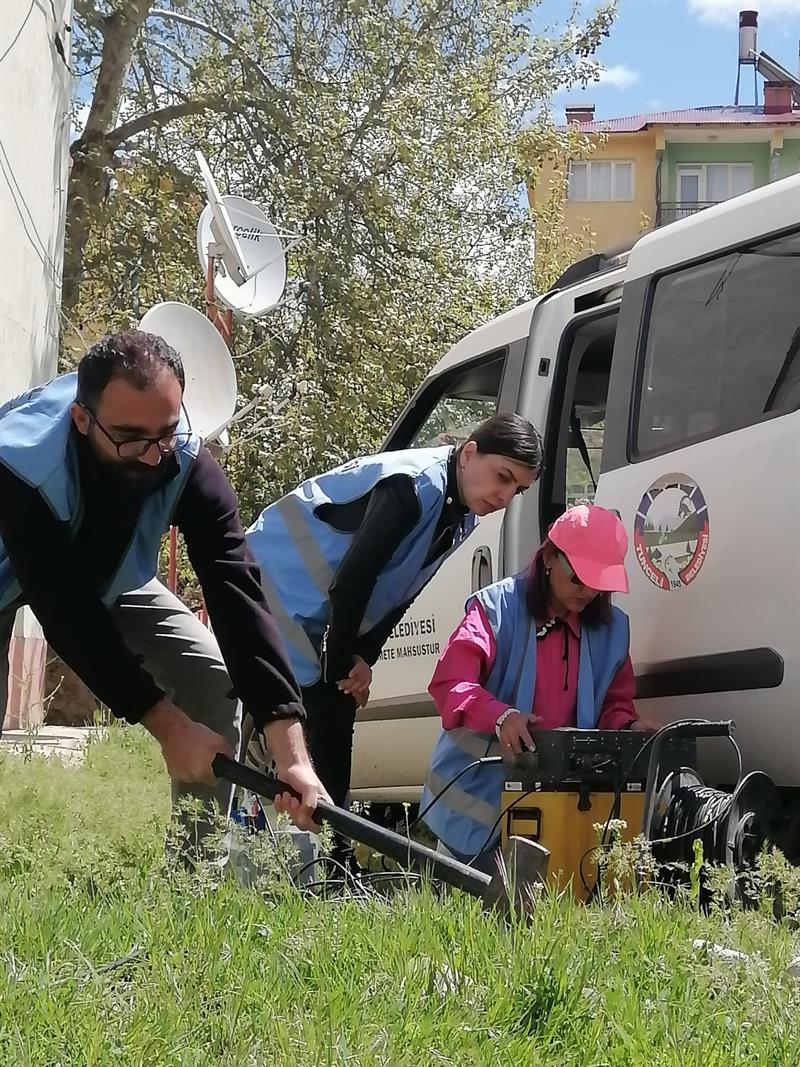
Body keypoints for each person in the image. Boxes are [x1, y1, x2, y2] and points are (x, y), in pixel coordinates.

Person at [0, 330, 325, 856]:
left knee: (212, 678)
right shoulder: (20, 463)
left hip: (111, 575)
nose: (154, 458)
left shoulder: (186, 460)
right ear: (83, 421)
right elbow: (64, 610)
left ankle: (190, 877)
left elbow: (237, 595)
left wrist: (292, 755)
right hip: (29, 570)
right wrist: (170, 728)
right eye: (131, 438)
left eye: (166, 434)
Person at [245, 414, 543, 838]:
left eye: (519, 489)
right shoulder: (412, 487)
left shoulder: (459, 514)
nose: (506, 495)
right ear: (470, 453)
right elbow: (352, 582)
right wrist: (343, 663)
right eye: (503, 477)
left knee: (331, 712)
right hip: (270, 591)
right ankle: (323, 860)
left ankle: (325, 859)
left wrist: (364, 658)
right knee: (322, 714)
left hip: (309, 609)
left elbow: (402, 591)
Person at [421, 503, 649, 874]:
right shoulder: (495, 609)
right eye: (578, 578)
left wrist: (628, 727)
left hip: (561, 808)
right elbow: (451, 684)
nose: (588, 591)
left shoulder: (613, 630)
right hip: (477, 815)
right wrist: (501, 717)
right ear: (548, 559)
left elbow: (614, 704)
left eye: (599, 582)